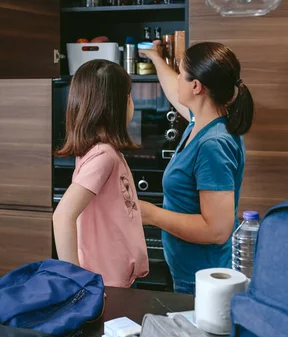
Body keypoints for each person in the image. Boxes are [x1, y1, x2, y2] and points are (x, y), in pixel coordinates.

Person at [138, 41, 255, 294]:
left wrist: (150, 214)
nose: (177, 78)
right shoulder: (201, 123)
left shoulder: (213, 144)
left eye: (181, 73)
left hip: (203, 281)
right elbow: (172, 89)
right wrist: (155, 58)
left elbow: (217, 230)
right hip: (191, 274)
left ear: (196, 86)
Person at [53, 59, 149, 288]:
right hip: (105, 282)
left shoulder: (102, 151)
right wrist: (75, 281)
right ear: (116, 105)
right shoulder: (103, 156)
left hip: (113, 277)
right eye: (129, 95)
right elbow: (62, 215)